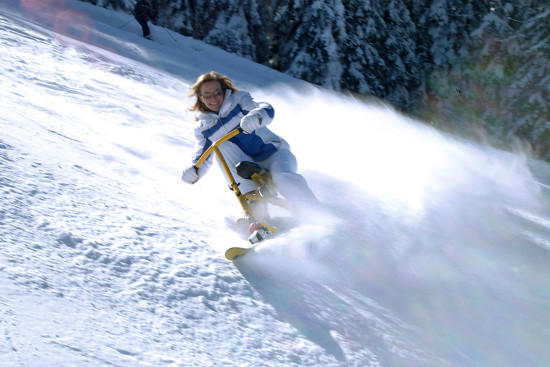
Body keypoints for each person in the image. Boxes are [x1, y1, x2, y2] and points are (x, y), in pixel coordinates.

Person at [181, 71, 319, 220]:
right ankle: (257, 217)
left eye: (217, 92)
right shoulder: (203, 128)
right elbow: (203, 155)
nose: (213, 98)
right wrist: (194, 170)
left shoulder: (238, 101)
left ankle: (314, 214)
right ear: (200, 98)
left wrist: (256, 116)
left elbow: (266, 108)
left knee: (283, 177)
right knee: (220, 146)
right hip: (247, 166)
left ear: (224, 91)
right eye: (207, 95)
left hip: (274, 154)